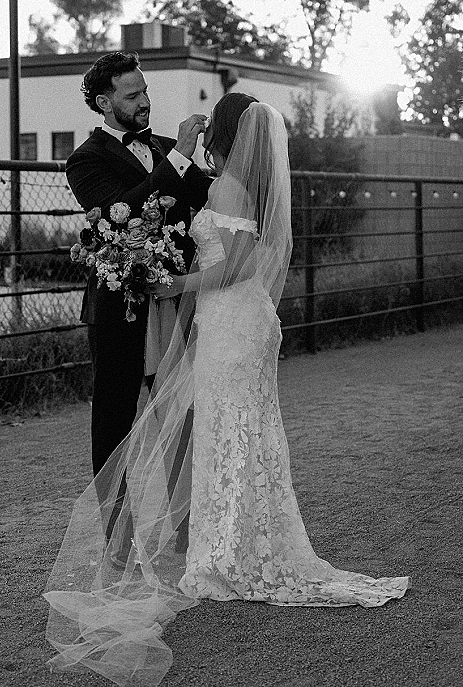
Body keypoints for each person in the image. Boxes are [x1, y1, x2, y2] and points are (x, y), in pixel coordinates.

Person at [46, 93, 411, 686]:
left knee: (227, 427)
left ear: (223, 131)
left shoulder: (226, 187)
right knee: (238, 427)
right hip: (236, 320)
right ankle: (234, 541)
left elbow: (235, 264)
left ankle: (227, 552)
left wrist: (170, 282)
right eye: (134, 93)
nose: (148, 102)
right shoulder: (234, 182)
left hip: (231, 320)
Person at [65, 51, 212, 479]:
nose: (144, 101)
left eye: (145, 90)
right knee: (114, 417)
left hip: (176, 298)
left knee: (179, 415)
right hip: (119, 305)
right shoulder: (85, 159)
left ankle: (184, 526)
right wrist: (181, 157)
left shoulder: (165, 148)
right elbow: (122, 212)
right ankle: (115, 534)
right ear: (104, 103)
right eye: (132, 95)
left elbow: (213, 204)